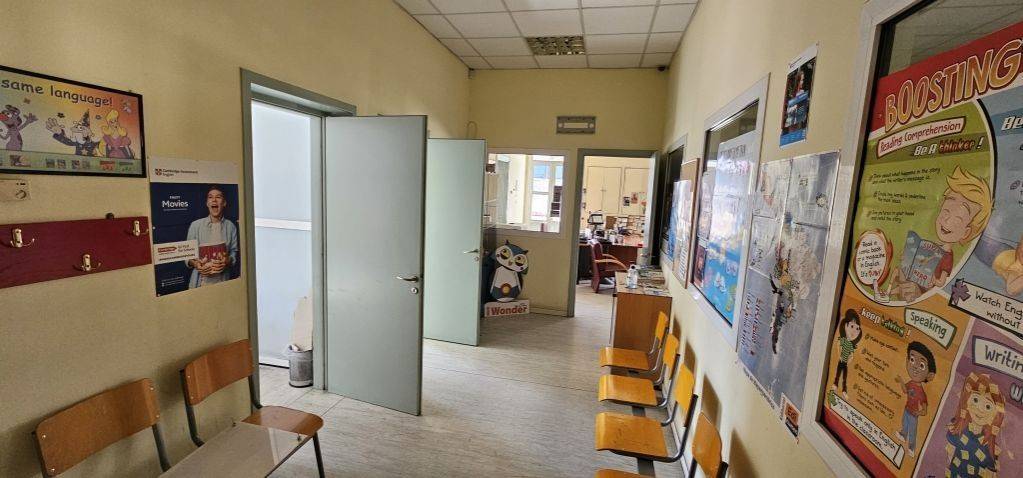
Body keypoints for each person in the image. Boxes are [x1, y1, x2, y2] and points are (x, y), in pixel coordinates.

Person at [890, 166, 992, 301]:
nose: (946, 220)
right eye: (945, 211)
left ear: (966, 233)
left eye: (957, 219)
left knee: (907, 289)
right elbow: (919, 261)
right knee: (899, 272)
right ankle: (888, 292)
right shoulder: (933, 246)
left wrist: (933, 280)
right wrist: (908, 256)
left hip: (923, 289)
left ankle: (893, 293)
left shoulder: (947, 257)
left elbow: (941, 282)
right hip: (914, 278)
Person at [946, 373, 1007, 477]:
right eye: (975, 399)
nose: (980, 409)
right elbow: (949, 454)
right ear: (967, 400)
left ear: (995, 415)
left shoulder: (989, 446)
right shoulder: (959, 429)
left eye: (988, 406)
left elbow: (991, 472)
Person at [186, 185, 238, 288]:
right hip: (200, 285)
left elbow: (234, 252)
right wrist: (196, 264)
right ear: (207, 203)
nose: (214, 200)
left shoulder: (231, 226)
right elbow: (187, 256)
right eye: (210, 197)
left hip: (223, 284)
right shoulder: (195, 225)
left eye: (218, 197)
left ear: (224, 203)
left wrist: (227, 260)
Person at [895, 341, 937, 456]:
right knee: (904, 424)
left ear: (929, 375)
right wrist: (901, 381)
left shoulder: (922, 393)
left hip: (913, 414)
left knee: (912, 432)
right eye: (912, 360)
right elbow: (905, 390)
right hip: (906, 410)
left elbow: (925, 410)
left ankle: (912, 448)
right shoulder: (911, 383)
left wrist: (918, 413)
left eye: (922, 365)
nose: (915, 367)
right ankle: (903, 435)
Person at [831, 309, 862, 399]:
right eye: (852, 326)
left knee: (845, 376)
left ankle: (844, 390)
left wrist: (849, 360)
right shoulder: (843, 340)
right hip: (841, 361)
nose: (854, 331)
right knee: (838, 374)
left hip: (845, 363)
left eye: (857, 328)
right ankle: (835, 384)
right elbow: (838, 346)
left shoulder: (851, 345)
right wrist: (840, 355)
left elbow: (851, 355)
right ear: (845, 325)